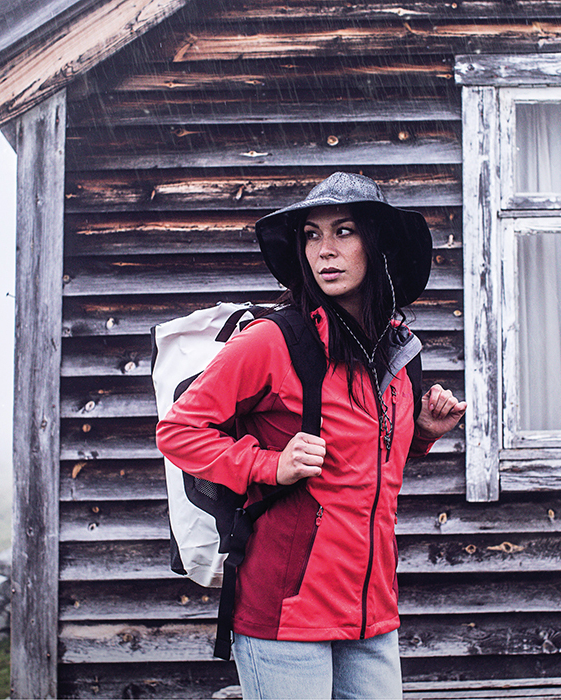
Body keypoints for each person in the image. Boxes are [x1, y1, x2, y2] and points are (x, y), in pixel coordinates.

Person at [156, 172, 467, 699]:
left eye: (343, 231)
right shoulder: (272, 341)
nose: (325, 250)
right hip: (286, 614)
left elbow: (364, 469)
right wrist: (269, 465)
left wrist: (421, 436)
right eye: (311, 235)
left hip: (371, 611)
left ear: (377, 244)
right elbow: (179, 429)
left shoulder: (398, 352)